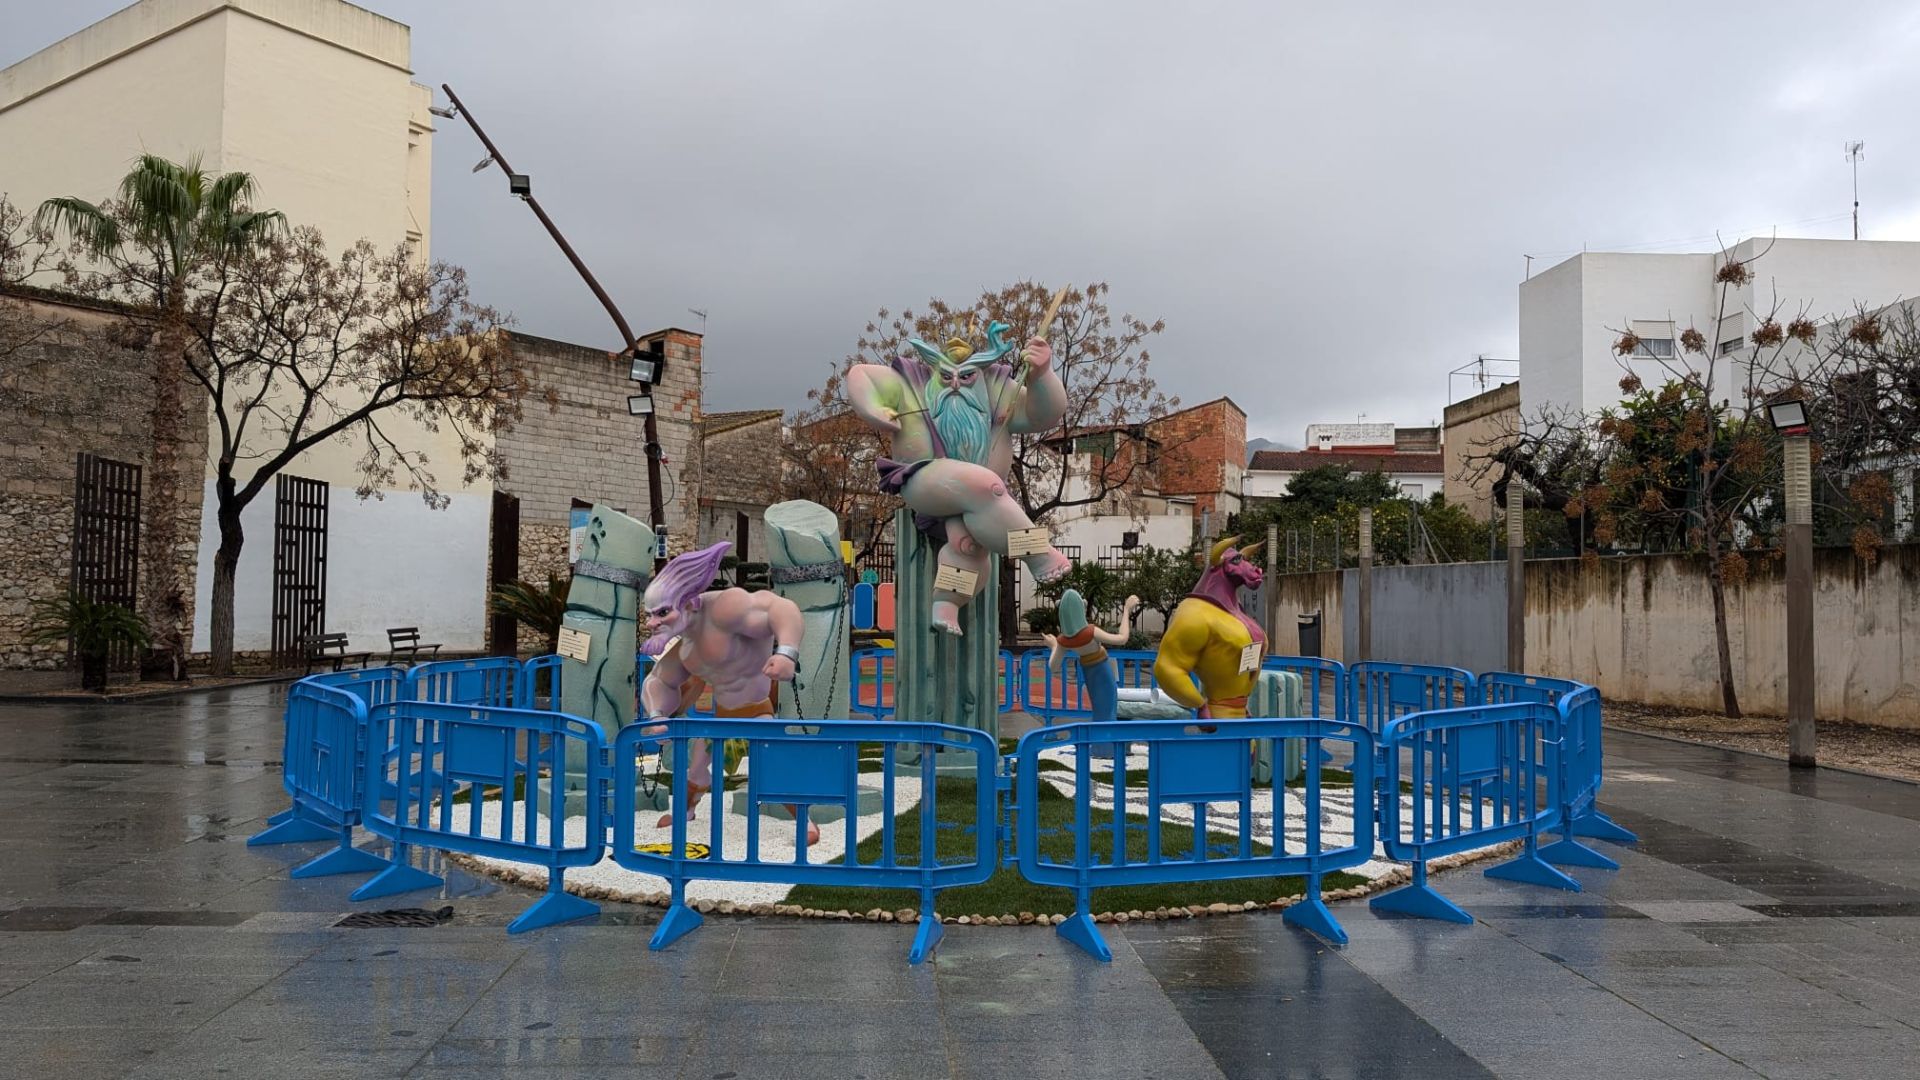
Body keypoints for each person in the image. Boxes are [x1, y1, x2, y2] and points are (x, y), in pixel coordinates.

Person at [638, 541, 818, 843]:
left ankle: (807, 823)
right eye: (648, 615)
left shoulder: (725, 608)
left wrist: (787, 653)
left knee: (773, 766)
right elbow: (658, 681)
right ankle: (686, 811)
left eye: (661, 613)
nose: (651, 623)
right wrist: (657, 714)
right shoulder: (685, 646)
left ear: (689, 602)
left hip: (757, 712)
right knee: (696, 766)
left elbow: (781, 608)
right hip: (721, 719)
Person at [1042, 591, 1140, 722]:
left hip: (1089, 674)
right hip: (1103, 671)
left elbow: (1053, 667)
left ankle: (1103, 740)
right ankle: (1106, 740)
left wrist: (1054, 646)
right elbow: (1122, 639)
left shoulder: (1064, 641)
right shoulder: (1090, 632)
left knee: (1100, 709)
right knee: (1108, 709)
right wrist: (1127, 610)